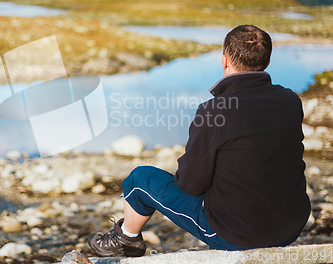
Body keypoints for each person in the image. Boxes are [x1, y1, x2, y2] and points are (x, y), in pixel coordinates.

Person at [87, 25, 311, 257]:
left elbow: (190, 184)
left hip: (234, 233)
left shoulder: (215, 111)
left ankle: (126, 237)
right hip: (290, 225)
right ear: (267, 61)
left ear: (225, 61)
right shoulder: (290, 101)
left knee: (139, 180)